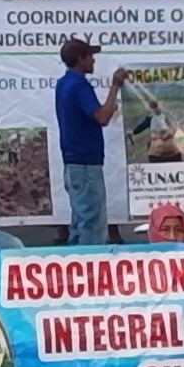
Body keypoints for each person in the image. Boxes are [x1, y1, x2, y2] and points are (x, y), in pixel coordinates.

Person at [53, 38, 120, 244]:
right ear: (80, 59)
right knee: (93, 227)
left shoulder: (64, 84)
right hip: (85, 166)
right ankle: (93, 272)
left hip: (74, 165)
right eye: (90, 56)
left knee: (80, 224)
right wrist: (115, 86)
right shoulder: (79, 85)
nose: (93, 61)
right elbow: (102, 117)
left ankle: (75, 266)